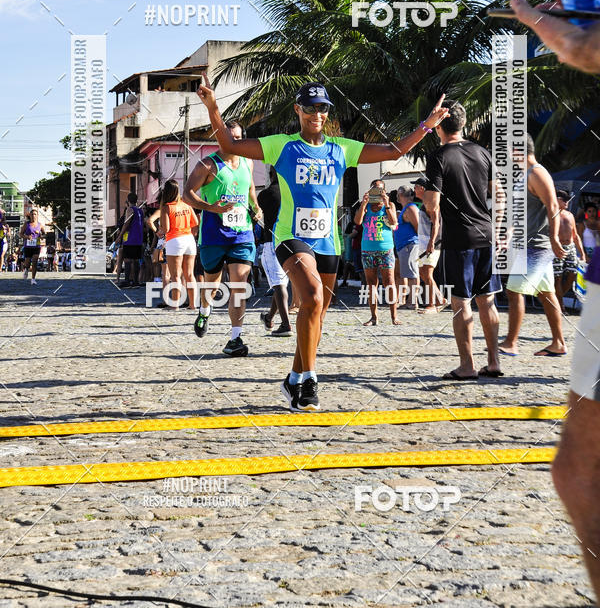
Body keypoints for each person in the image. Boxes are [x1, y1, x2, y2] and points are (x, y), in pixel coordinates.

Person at [197, 75, 448, 411]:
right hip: (291, 237)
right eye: (311, 107)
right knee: (312, 297)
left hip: (328, 242)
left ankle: (293, 378)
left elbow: (393, 150)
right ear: (298, 110)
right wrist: (213, 107)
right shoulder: (282, 145)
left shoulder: (341, 148)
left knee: (317, 313)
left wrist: (427, 125)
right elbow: (229, 145)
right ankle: (310, 380)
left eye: (323, 108)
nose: (317, 113)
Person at [510, 0, 600, 602]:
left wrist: (535, 18)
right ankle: (546, 339)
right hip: (543, 248)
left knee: (580, 473)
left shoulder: (536, 170)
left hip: (546, 246)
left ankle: (538, 339)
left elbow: (580, 47)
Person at [423, 100, 503, 380]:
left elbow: (432, 204)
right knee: (488, 301)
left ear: (439, 127)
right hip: (486, 234)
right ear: (464, 124)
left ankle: (467, 366)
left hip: (459, 238)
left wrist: (429, 203)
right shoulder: (483, 152)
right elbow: (499, 195)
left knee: (461, 303)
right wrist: (497, 228)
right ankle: (494, 362)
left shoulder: (438, 156)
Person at [183, 120, 262, 356]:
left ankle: (235, 338)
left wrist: (256, 207)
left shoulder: (247, 162)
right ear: (219, 138)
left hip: (242, 234)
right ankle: (204, 310)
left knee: (239, 284)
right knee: (212, 285)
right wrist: (211, 207)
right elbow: (187, 194)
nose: (235, 141)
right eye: (230, 137)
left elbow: (250, 190)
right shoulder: (207, 165)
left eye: (238, 137)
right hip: (214, 235)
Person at [499, 136, 568, 358]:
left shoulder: (537, 173)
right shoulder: (524, 175)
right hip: (530, 244)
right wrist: (508, 235)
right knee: (546, 294)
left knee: (513, 291)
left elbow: (553, 205)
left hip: (537, 245)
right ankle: (558, 343)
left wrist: (554, 237)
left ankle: (511, 342)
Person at [354, 180, 398, 325]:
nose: (376, 191)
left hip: (385, 249)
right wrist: (363, 203)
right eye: (374, 188)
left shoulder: (389, 205)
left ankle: (394, 316)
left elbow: (393, 222)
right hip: (368, 249)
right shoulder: (366, 206)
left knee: (389, 282)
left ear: (384, 191)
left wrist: (386, 204)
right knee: (371, 284)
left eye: (379, 189)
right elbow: (358, 221)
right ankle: (374, 317)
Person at [258, 166, 292, 337]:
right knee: (281, 284)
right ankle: (269, 317)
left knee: (278, 285)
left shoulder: (265, 194)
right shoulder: (292, 193)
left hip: (272, 241)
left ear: (271, 175)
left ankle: (286, 324)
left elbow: (255, 213)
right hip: (292, 242)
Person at [159, 180, 198, 311]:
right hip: (189, 239)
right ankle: (192, 304)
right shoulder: (186, 204)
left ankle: (175, 304)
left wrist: (160, 228)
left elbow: (166, 228)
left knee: (175, 276)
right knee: (190, 274)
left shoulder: (167, 207)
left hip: (175, 240)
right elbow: (195, 222)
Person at [413, 177, 446, 314]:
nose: (414, 189)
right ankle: (436, 301)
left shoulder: (431, 203)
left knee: (427, 274)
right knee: (423, 273)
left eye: (415, 187)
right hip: (423, 242)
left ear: (422, 188)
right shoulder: (424, 203)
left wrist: (431, 242)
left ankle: (437, 302)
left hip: (430, 243)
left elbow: (436, 224)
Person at [553, 189, 585, 308]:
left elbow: (575, 235)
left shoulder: (570, 215)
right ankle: (560, 306)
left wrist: (582, 253)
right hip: (557, 247)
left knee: (573, 273)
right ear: (556, 200)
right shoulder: (550, 214)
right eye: (564, 200)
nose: (567, 202)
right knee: (558, 277)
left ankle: (558, 298)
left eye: (568, 200)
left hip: (570, 247)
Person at [394, 186, 420, 310]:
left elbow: (418, 227)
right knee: (408, 273)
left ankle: (413, 302)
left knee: (412, 273)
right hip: (405, 245)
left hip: (410, 244)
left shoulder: (410, 208)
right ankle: (409, 300)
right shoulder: (406, 208)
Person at [116, 193, 145, 288]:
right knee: (136, 260)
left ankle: (127, 281)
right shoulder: (140, 211)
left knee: (127, 259)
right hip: (138, 238)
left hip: (130, 238)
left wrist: (119, 236)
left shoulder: (130, 209)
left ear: (128, 200)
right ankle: (136, 281)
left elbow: (126, 223)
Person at [20, 209, 45, 284]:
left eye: (35, 214)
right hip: (28, 246)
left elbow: (44, 234)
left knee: (35, 261)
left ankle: (33, 279)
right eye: (32, 214)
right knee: (27, 262)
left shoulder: (40, 225)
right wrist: (27, 237)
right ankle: (26, 269)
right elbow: (21, 234)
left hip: (36, 246)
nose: (33, 216)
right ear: (30, 216)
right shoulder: (26, 224)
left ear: (37, 216)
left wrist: (42, 236)